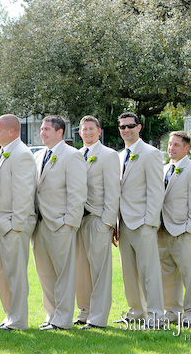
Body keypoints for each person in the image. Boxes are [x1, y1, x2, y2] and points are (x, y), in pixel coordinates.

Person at [33, 115, 87, 331]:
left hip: (61, 224)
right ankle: (51, 314)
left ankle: (63, 319)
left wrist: (69, 223)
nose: (42, 133)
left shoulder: (72, 156)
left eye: (47, 129)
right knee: (45, 274)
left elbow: (77, 193)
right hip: (40, 224)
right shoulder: (38, 156)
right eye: (42, 129)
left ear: (60, 132)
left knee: (64, 274)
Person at [117, 112, 165, 328]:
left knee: (149, 271)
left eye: (130, 126)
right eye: (122, 127)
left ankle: (156, 315)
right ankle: (136, 311)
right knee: (128, 272)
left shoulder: (151, 153)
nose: (126, 130)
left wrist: (150, 222)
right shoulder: (119, 156)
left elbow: (156, 191)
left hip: (144, 222)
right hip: (124, 224)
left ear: (139, 127)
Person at [0, 114, 36, 331]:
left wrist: (16, 225)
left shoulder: (22, 154)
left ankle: (18, 320)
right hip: (2, 224)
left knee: (16, 274)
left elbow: (24, 193)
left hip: (13, 225)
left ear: (12, 131)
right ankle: (10, 316)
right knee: (4, 273)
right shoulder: (3, 152)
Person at [75, 116, 120, 329]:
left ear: (99, 131)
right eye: (84, 129)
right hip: (78, 222)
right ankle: (84, 311)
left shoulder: (109, 156)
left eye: (92, 129)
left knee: (100, 272)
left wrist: (108, 223)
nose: (88, 132)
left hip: (98, 219)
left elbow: (113, 191)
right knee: (81, 269)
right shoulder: (76, 155)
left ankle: (98, 318)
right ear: (80, 132)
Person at [159, 131, 191, 326]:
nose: (171, 148)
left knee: (190, 276)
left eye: (176, 145)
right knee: (168, 276)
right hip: (162, 232)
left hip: (183, 232)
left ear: (186, 148)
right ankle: (172, 311)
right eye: (170, 144)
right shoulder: (163, 169)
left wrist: (190, 230)